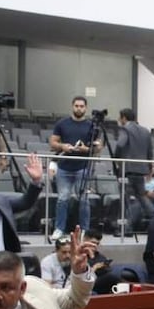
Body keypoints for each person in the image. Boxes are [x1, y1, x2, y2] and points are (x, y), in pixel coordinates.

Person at [48, 96, 99, 240]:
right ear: (72, 106)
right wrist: (62, 146)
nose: (79, 108)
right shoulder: (62, 123)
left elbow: (97, 148)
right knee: (62, 199)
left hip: (82, 168)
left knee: (84, 200)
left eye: (82, 106)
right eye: (77, 106)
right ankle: (59, 229)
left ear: (86, 108)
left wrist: (85, 149)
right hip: (64, 167)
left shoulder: (91, 126)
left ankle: (84, 231)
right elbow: (53, 143)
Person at [116, 108, 154, 233]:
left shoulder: (125, 129)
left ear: (124, 118)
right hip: (141, 169)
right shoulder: (145, 131)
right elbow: (150, 151)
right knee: (142, 197)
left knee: (125, 200)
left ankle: (126, 229)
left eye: (120, 118)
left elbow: (120, 144)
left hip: (127, 169)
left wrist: (116, 158)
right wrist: (149, 167)